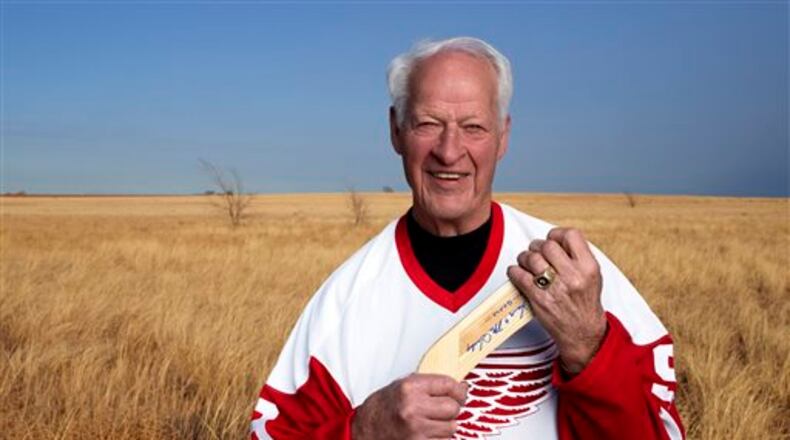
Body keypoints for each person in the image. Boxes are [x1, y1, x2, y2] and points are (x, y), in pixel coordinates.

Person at [250, 36, 684, 440]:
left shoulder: (578, 278)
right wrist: (363, 430)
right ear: (395, 131)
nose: (449, 150)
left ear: (503, 137)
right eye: (427, 123)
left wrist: (590, 348)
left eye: (473, 127)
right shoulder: (344, 303)